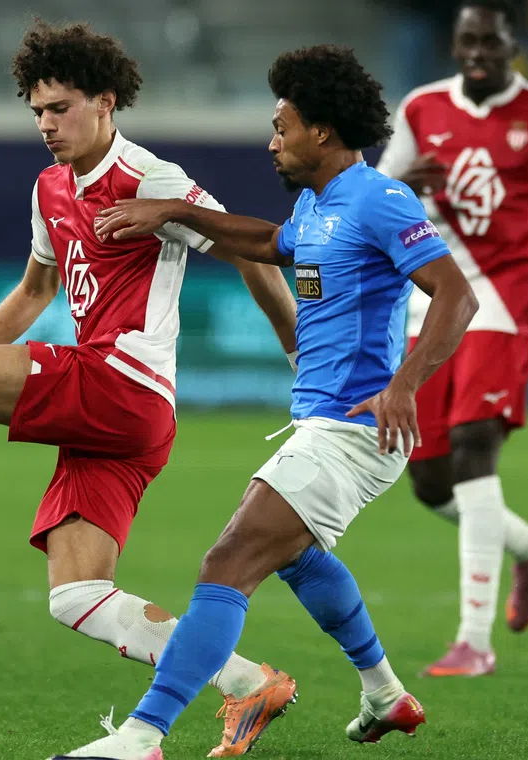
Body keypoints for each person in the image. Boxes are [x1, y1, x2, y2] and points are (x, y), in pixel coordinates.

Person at [0, 20, 302, 758]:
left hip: (123, 383)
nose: (47, 125)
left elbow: (254, 250)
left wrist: (295, 344)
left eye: (60, 108)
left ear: (106, 101)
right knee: (76, 596)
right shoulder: (51, 187)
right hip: (116, 418)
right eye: (37, 112)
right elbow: (35, 288)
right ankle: (247, 682)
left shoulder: (152, 179)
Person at [52, 44, 477, 760]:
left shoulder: (379, 198)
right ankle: (385, 694)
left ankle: (142, 736)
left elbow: (455, 294)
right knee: (297, 558)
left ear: (323, 132)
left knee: (227, 561)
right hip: (321, 421)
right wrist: (175, 211)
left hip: (355, 427)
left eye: (282, 126)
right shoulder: (316, 205)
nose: (272, 141)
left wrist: (404, 384)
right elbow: (273, 243)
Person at [374, 0, 528, 676]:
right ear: (454, 46)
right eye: (467, 41)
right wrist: (401, 185)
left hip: (506, 297)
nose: (477, 52)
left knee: (478, 443)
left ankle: (473, 642)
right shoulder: (422, 108)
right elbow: (380, 192)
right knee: (427, 478)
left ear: (512, 46)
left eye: (490, 42)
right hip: (436, 299)